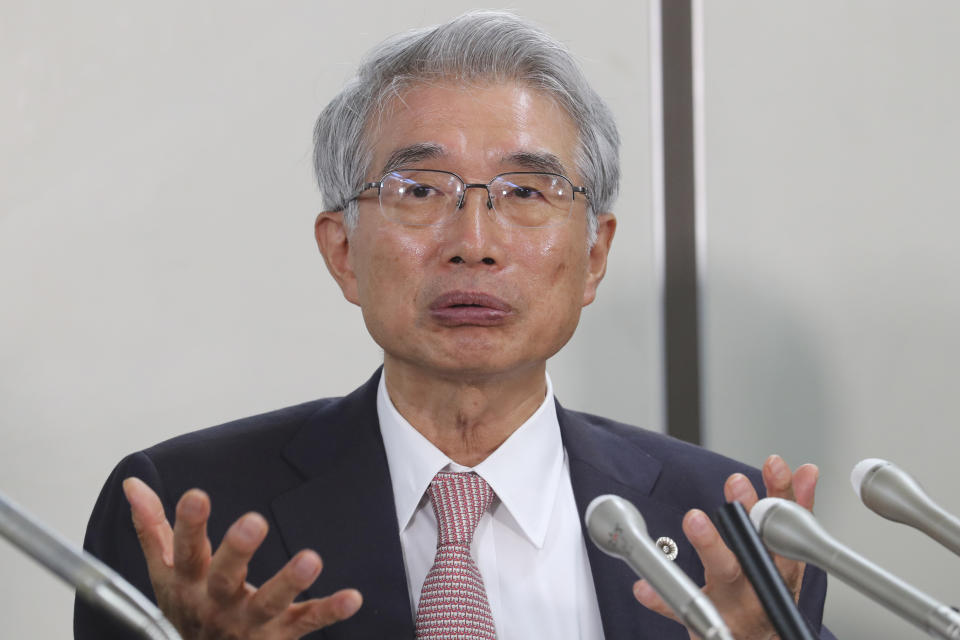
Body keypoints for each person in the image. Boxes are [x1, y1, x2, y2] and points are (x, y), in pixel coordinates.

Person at [76, 11, 833, 640]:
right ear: (343, 252)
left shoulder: (726, 536)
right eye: (419, 189)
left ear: (595, 254)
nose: (474, 241)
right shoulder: (186, 515)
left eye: (527, 193)